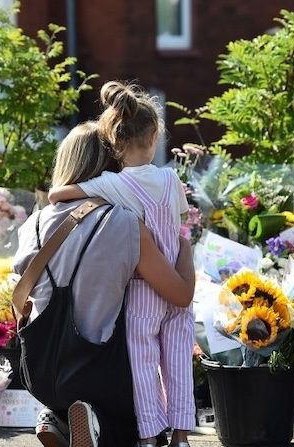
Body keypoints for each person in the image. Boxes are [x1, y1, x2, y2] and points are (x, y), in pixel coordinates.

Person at [14, 121, 195, 447]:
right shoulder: (124, 224)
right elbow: (180, 296)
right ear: (111, 166)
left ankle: (58, 415)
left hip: (40, 369)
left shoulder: (34, 223)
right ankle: (97, 425)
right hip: (98, 370)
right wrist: (185, 248)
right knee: (139, 404)